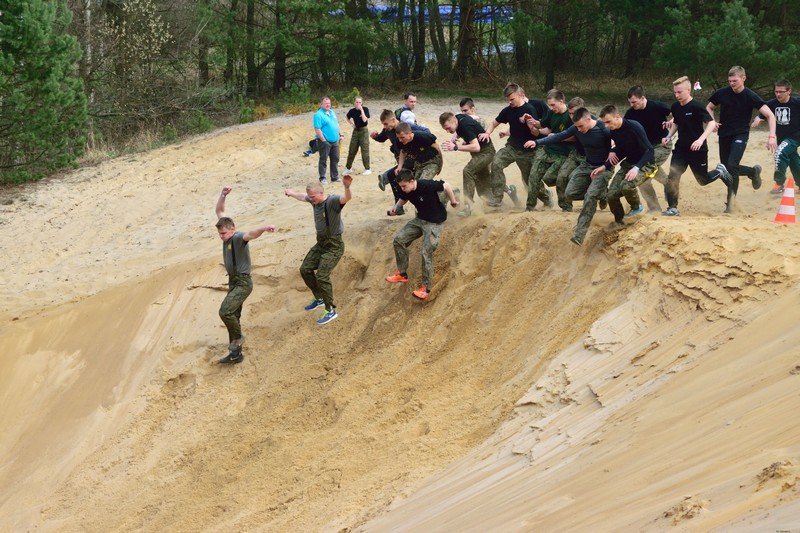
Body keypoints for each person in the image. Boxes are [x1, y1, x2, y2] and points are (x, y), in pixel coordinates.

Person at [528, 107, 612, 245]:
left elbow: (620, 142)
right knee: (569, 193)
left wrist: (612, 155)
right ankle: (603, 194)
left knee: (590, 197)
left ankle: (579, 234)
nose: (578, 130)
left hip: (603, 168)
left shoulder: (603, 129)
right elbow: (559, 136)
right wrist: (536, 142)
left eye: (581, 126)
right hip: (587, 165)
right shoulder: (577, 127)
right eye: (576, 126)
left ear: (588, 119)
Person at [214, 187, 276, 364]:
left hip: (242, 283)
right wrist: (223, 195)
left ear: (232, 229)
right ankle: (235, 355)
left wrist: (264, 228)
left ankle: (238, 338)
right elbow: (219, 211)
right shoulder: (226, 232)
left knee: (225, 311)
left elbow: (251, 234)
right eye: (219, 234)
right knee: (234, 315)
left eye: (223, 233)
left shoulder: (238, 237)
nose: (221, 237)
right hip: (233, 282)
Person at [707, 65, 777, 212]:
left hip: (741, 133)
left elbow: (770, 115)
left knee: (732, 165)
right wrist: (712, 122)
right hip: (724, 134)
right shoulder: (722, 93)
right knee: (726, 168)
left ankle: (730, 204)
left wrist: (772, 136)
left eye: (735, 81)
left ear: (743, 78)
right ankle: (753, 172)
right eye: (730, 81)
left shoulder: (750, 96)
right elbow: (709, 107)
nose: (732, 84)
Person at [284, 175, 353, 325]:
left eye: (313, 197)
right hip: (321, 244)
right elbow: (303, 197)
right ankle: (319, 298)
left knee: (322, 276)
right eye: (310, 197)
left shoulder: (332, 201)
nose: (311, 199)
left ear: (321, 193)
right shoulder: (313, 200)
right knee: (305, 269)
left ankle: (330, 310)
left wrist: (347, 187)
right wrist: (291, 193)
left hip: (334, 246)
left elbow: (346, 198)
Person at [385, 169, 458, 300]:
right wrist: (396, 208)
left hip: (434, 222)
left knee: (426, 252)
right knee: (399, 240)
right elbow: (403, 198)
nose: (402, 188)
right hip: (420, 220)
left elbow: (446, 185)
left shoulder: (426, 185)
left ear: (412, 181)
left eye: (404, 186)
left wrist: (453, 201)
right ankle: (402, 274)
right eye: (401, 186)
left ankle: (426, 288)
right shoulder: (406, 189)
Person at [478, 83, 550, 208]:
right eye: (508, 100)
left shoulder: (530, 109)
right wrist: (487, 133)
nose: (510, 102)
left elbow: (536, 133)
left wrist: (530, 125)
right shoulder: (507, 110)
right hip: (511, 147)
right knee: (496, 163)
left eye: (512, 99)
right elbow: (494, 123)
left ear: (520, 95)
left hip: (527, 151)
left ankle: (546, 198)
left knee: (529, 180)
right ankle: (497, 197)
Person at [661, 76, 725, 216]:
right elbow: (676, 123)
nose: (677, 95)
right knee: (673, 176)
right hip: (681, 149)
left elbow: (711, 123)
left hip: (698, 150)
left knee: (703, 180)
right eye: (675, 92)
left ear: (688, 90)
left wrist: (700, 140)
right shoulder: (675, 106)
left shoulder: (697, 106)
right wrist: (669, 136)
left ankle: (720, 171)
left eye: (679, 92)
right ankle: (672, 208)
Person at [596, 105, 656, 226]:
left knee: (626, 186)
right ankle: (620, 221)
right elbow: (622, 150)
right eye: (604, 123)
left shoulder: (634, 126)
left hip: (646, 164)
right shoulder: (613, 131)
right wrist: (605, 166)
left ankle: (637, 208)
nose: (606, 126)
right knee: (611, 195)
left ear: (617, 116)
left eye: (608, 122)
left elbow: (650, 150)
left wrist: (636, 168)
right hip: (629, 163)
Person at [370, 110, 431, 215]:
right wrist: (375, 136)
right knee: (395, 177)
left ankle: (385, 179)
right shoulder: (388, 130)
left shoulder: (405, 127)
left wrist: (417, 141)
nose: (384, 126)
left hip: (413, 158)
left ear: (393, 120)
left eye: (386, 124)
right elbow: (382, 138)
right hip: (401, 158)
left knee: (406, 180)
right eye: (383, 124)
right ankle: (398, 206)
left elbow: (426, 131)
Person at [624, 85, 672, 213]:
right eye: (630, 102)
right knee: (644, 179)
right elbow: (624, 129)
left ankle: (669, 187)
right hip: (645, 148)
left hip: (662, 145)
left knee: (644, 169)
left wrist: (672, 121)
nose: (632, 105)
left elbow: (677, 113)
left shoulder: (657, 106)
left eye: (634, 102)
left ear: (642, 98)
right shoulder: (630, 113)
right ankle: (655, 207)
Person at [440, 111, 495, 216]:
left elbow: (476, 147)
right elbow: (471, 117)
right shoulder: (458, 118)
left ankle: (468, 206)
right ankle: (492, 204)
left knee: (468, 171)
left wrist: (455, 147)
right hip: (480, 154)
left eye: (448, 128)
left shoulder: (465, 127)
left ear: (454, 121)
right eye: (445, 129)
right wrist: (455, 137)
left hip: (485, 153)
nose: (447, 131)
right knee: (483, 180)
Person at [526, 89, 573, 211]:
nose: (551, 108)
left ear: (561, 101)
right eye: (549, 105)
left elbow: (576, 136)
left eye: (553, 105)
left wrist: (558, 137)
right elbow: (545, 126)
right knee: (533, 176)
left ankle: (566, 207)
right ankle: (530, 207)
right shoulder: (551, 112)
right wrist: (533, 122)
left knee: (550, 178)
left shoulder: (571, 115)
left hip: (563, 153)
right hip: (547, 149)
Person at [751, 79, 800, 194]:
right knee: (793, 159)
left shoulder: (797, 102)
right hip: (782, 137)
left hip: (795, 137)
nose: (778, 94)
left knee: (780, 153)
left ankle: (779, 184)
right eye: (776, 91)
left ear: (789, 91)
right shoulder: (771, 104)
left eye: (781, 92)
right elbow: (763, 114)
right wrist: (759, 118)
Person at [553, 97, 588, 212]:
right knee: (561, 177)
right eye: (570, 113)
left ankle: (600, 195)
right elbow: (565, 134)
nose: (572, 116)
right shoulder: (570, 122)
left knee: (574, 178)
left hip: (589, 157)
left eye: (575, 113)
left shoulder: (592, 121)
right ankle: (566, 207)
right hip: (575, 153)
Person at [313, 96, 342, 185]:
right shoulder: (318, 115)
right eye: (325, 103)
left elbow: (336, 124)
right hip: (324, 141)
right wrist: (324, 140)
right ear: (321, 104)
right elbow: (317, 129)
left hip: (335, 140)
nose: (328, 105)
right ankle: (322, 178)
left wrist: (340, 134)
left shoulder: (332, 112)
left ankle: (334, 177)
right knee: (323, 160)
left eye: (329, 103)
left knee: (335, 159)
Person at [344, 96, 371, 175]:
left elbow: (364, 120)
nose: (358, 103)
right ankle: (348, 168)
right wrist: (352, 124)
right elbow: (347, 117)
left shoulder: (365, 109)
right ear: (354, 103)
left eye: (360, 102)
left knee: (365, 150)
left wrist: (361, 110)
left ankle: (367, 168)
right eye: (357, 102)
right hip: (356, 131)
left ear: (362, 103)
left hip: (364, 131)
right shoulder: (352, 111)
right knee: (352, 150)